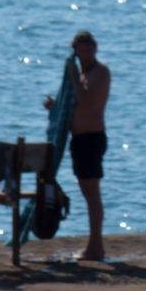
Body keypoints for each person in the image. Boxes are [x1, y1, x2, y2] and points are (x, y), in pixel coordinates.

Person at [43, 30, 110, 261]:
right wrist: (56, 106)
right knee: (87, 193)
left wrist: (72, 74)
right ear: (76, 51)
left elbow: (87, 101)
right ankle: (95, 244)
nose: (86, 53)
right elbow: (74, 106)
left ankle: (95, 246)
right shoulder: (81, 73)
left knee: (92, 194)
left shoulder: (100, 72)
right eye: (82, 50)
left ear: (95, 49)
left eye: (90, 49)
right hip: (79, 140)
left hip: (92, 138)